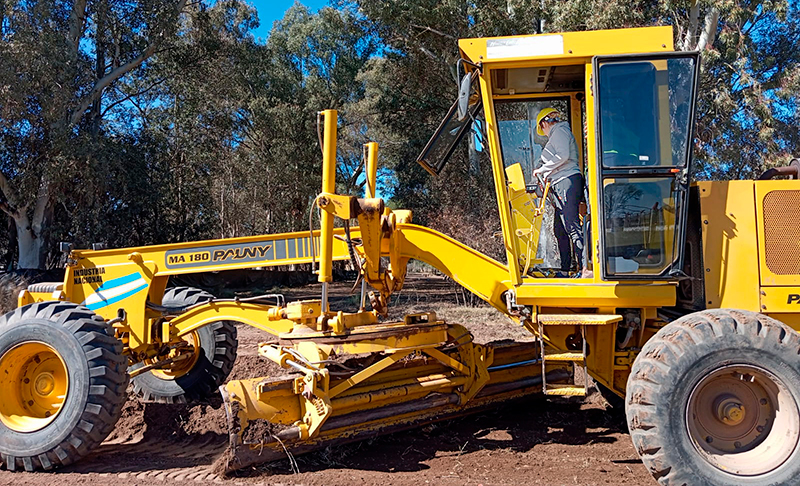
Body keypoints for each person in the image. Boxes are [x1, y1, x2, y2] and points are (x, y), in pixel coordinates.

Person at [532, 108, 589, 277]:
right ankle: (565, 269)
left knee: (571, 226)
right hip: (560, 183)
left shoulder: (559, 131)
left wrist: (542, 170)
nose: (543, 132)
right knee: (560, 230)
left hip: (566, 181)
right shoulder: (559, 133)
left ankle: (585, 269)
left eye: (541, 129)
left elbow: (563, 156)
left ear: (544, 123)